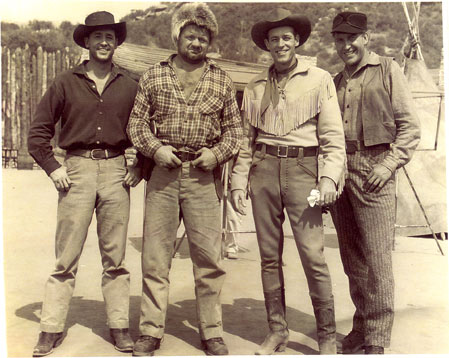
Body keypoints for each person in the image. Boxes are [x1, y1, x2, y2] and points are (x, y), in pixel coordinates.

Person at [126, 3, 242, 356]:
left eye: (203, 37)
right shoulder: (152, 76)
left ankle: (211, 331)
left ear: (210, 41)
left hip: (203, 178)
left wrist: (217, 154)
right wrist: (155, 150)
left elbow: (235, 133)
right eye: (190, 35)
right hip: (162, 174)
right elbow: (136, 126)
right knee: (155, 258)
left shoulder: (221, 79)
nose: (196, 42)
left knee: (208, 259)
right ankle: (150, 330)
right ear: (177, 36)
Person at [231, 8, 346, 355]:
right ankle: (277, 330)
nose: (280, 44)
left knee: (313, 256)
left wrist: (328, 179)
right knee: (268, 256)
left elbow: (333, 138)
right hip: (263, 169)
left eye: (286, 38)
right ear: (266, 44)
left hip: (304, 171)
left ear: (296, 41)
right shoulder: (254, 85)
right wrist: (238, 182)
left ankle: (326, 336)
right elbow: (243, 141)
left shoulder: (319, 79)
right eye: (274, 39)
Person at [28, 11, 142, 357]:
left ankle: (120, 327)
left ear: (116, 42)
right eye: (97, 37)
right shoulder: (65, 82)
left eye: (110, 37)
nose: (104, 42)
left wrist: (140, 167)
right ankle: (50, 328)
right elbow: (38, 134)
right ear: (87, 42)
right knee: (66, 258)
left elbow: (146, 130)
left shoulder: (132, 84)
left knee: (116, 257)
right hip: (75, 170)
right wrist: (53, 168)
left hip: (116, 172)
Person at [330, 12, 421, 355]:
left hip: (376, 167)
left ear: (366, 38)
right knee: (352, 257)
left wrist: (388, 165)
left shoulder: (388, 70)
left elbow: (410, 127)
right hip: (341, 169)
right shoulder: (336, 81)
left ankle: (378, 339)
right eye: (339, 39)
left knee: (378, 258)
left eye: (352, 38)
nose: (346, 45)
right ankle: (361, 326)